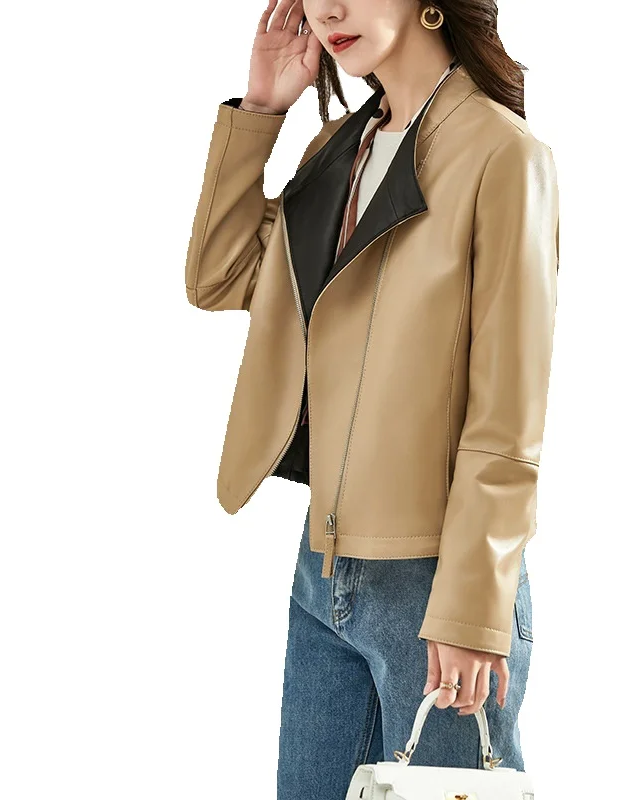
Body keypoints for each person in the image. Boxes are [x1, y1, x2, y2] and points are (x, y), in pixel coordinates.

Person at [184, 0, 559, 795]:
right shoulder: (337, 148)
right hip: (321, 571)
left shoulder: (501, 154)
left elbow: (509, 410)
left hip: (437, 580)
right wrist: (261, 112)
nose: (329, 10)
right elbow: (220, 276)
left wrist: (471, 609)